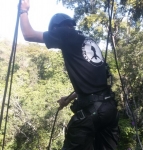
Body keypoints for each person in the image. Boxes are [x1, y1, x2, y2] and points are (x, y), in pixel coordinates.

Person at [20, 0, 120, 149]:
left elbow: (28, 34)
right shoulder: (86, 40)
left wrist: (23, 10)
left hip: (92, 113)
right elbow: (94, 85)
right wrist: (68, 99)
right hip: (109, 109)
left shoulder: (64, 33)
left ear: (56, 28)